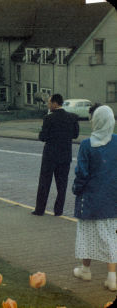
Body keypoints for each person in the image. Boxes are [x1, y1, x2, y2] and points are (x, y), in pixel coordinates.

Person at [72, 105, 116, 292]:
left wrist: (76, 189)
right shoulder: (116, 141)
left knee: (86, 233)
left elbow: (82, 172)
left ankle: (86, 269)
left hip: (90, 199)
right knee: (111, 237)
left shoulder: (87, 144)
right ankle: (112, 277)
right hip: (112, 198)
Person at [33, 94, 79, 216]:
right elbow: (75, 135)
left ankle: (40, 210)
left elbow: (43, 137)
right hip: (65, 155)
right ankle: (58, 211)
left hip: (50, 156)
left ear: (54, 103)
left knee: (44, 183)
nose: (48, 105)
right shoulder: (72, 117)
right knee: (62, 185)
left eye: (49, 103)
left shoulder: (48, 118)